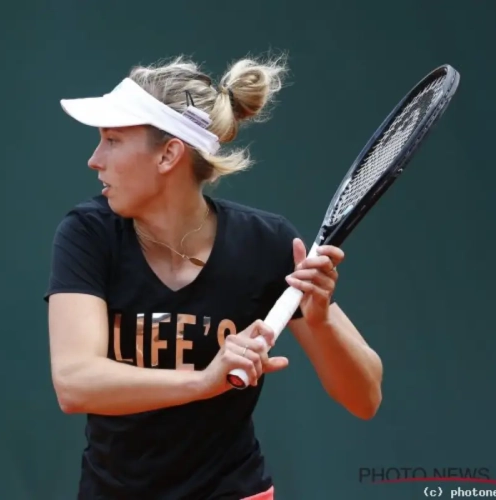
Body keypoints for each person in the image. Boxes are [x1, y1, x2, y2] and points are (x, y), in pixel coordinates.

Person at [43, 54, 383, 500]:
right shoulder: (89, 233)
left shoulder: (268, 243)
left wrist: (319, 320)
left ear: (168, 154)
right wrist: (205, 381)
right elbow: (75, 382)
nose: (94, 159)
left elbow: (364, 398)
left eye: (112, 140)